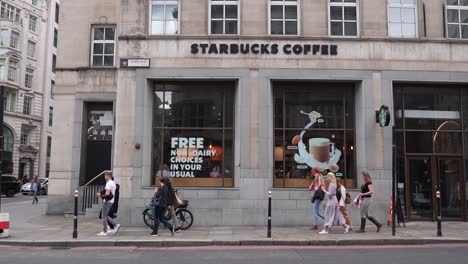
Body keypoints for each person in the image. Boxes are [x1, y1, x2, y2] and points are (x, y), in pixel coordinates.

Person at [96, 171, 120, 236]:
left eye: (105, 176)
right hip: (111, 202)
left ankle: (104, 231)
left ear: (108, 176)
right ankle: (116, 225)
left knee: (104, 216)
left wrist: (100, 195)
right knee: (106, 216)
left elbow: (107, 193)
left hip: (107, 202)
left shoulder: (108, 183)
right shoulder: (113, 183)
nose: (104, 177)